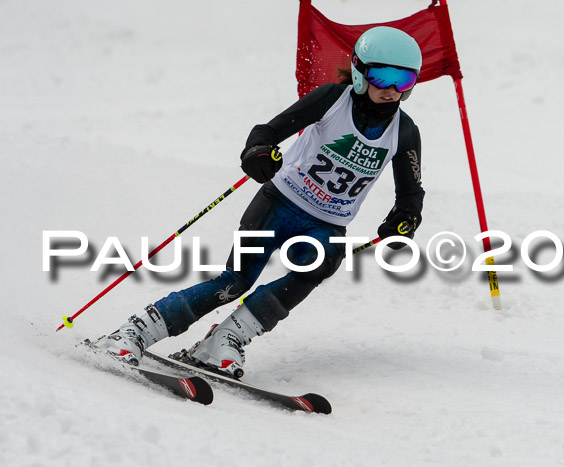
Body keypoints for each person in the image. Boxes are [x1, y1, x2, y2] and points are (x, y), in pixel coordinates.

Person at [95, 26, 425, 377]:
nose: (391, 90)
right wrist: (258, 151)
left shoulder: (404, 132)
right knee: (234, 281)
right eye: (382, 76)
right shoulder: (332, 99)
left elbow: (411, 192)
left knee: (317, 267)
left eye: (403, 81)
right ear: (360, 72)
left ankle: (226, 340)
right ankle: (133, 332)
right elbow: (267, 132)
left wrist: (405, 217)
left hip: (327, 224)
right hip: (279, 204)